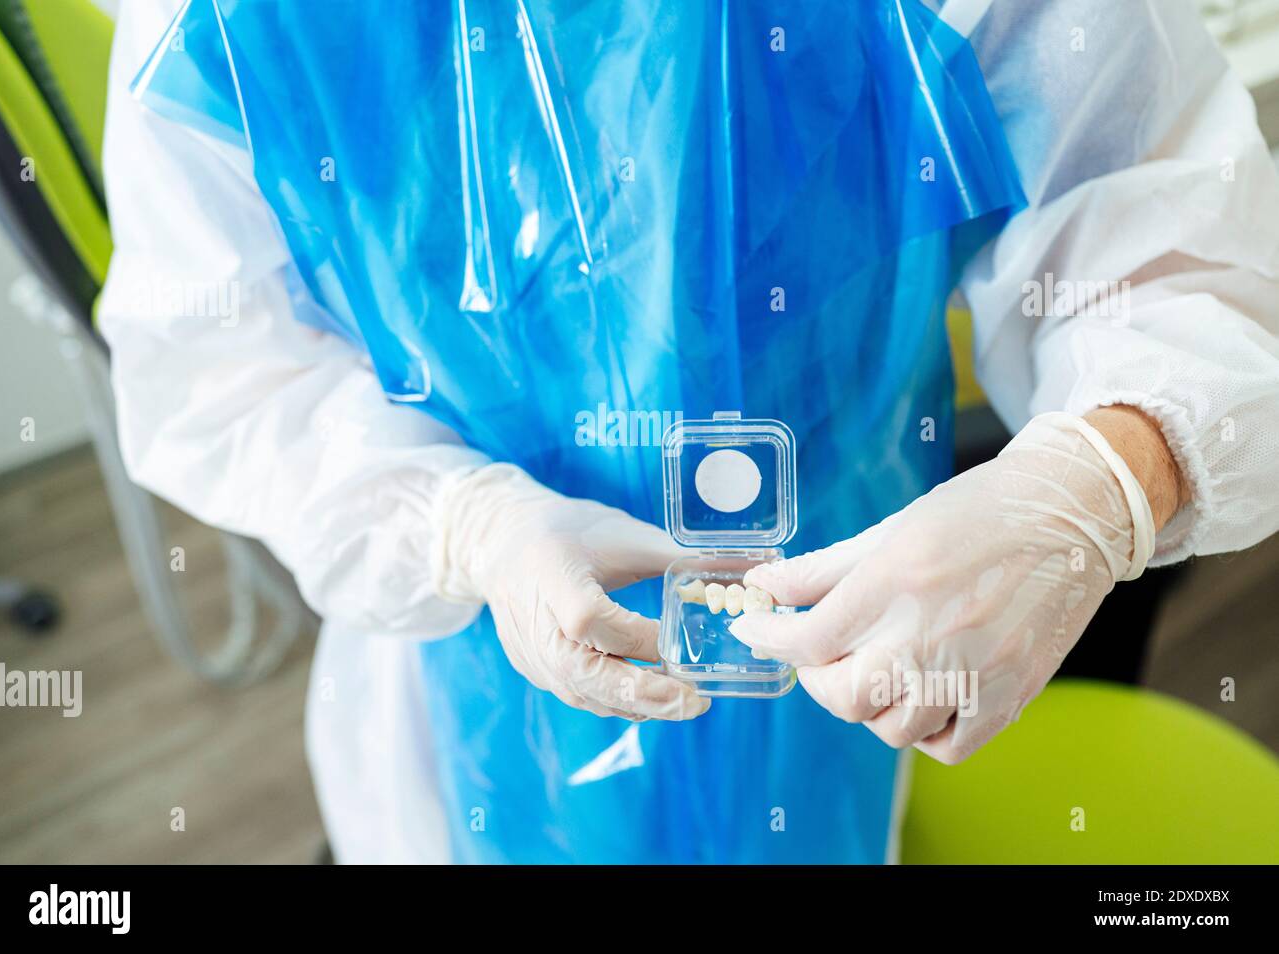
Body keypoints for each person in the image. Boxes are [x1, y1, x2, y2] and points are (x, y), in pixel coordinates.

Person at [98, 0, 1279, 863]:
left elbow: (1177, 257)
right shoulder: (221, 22)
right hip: (453, 687)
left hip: (837, 635)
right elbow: (224, 363)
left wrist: (1097, 479)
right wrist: (462, 524)